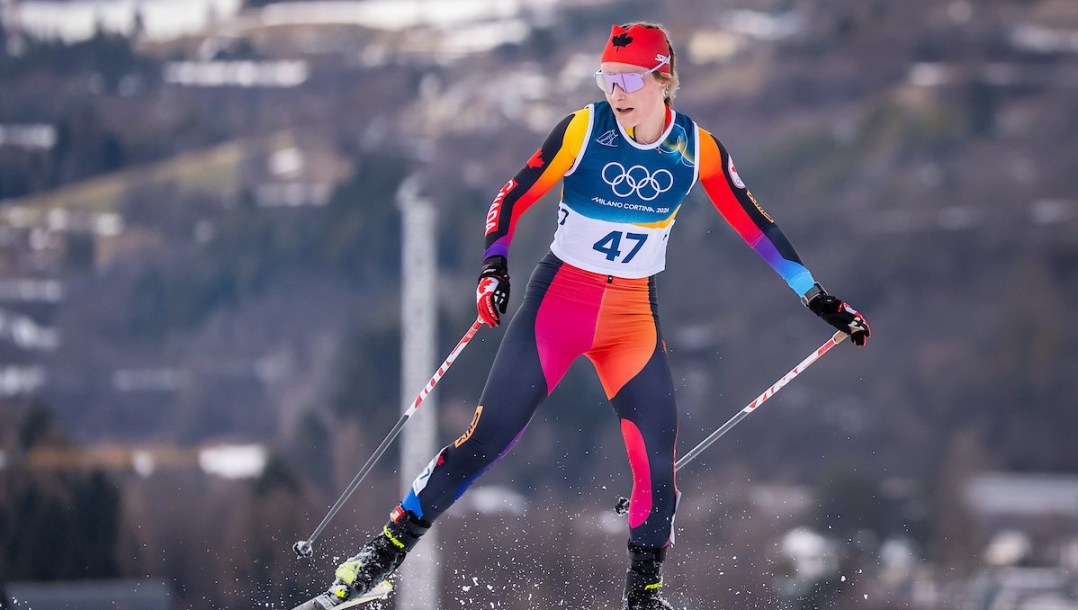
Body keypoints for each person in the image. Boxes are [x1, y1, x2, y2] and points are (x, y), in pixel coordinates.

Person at [296, 22, 870, 610]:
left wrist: (815, 296)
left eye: (629, 80)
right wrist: (494, 266)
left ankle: (643, 597)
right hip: (557, 307)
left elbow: (757, 225)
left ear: (664, 81)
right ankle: (374, 565)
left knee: (658, 461)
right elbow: (512, 196)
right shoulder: (584, 129)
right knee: (485, 440)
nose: (616, 93)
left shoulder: (698, 150)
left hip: (631, 322)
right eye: (607, 79)